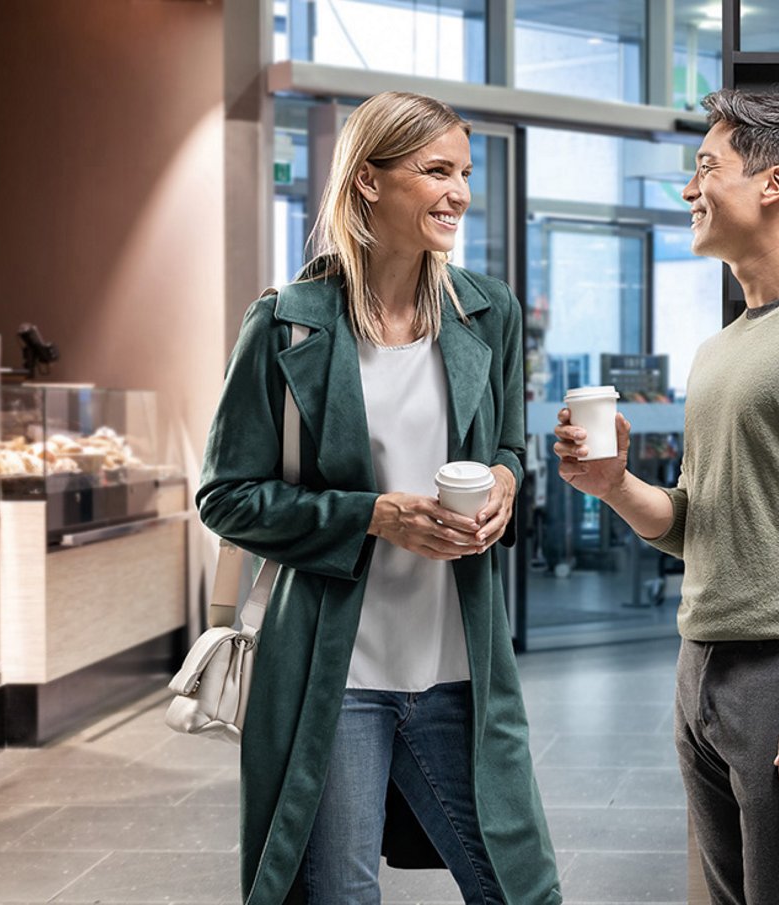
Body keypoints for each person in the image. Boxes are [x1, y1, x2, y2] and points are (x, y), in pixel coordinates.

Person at [553, 89, 779, 905]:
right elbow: (694, 524)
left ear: (774, 185)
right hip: (703, 666)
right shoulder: (721, 349)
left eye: (706, 168)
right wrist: (612, 485)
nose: (690, 191)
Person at [198, 91, 561, 905]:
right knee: (339, 894)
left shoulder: (484, 310)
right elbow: (226, 497)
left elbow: (503, 443)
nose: (459, 192)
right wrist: (371, 515)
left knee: (522, 888)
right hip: (337, 674)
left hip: (460, 667)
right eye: (436, 171)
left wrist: (505, 478)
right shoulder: (288, 325)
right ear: (368, 179)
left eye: (465, 172)